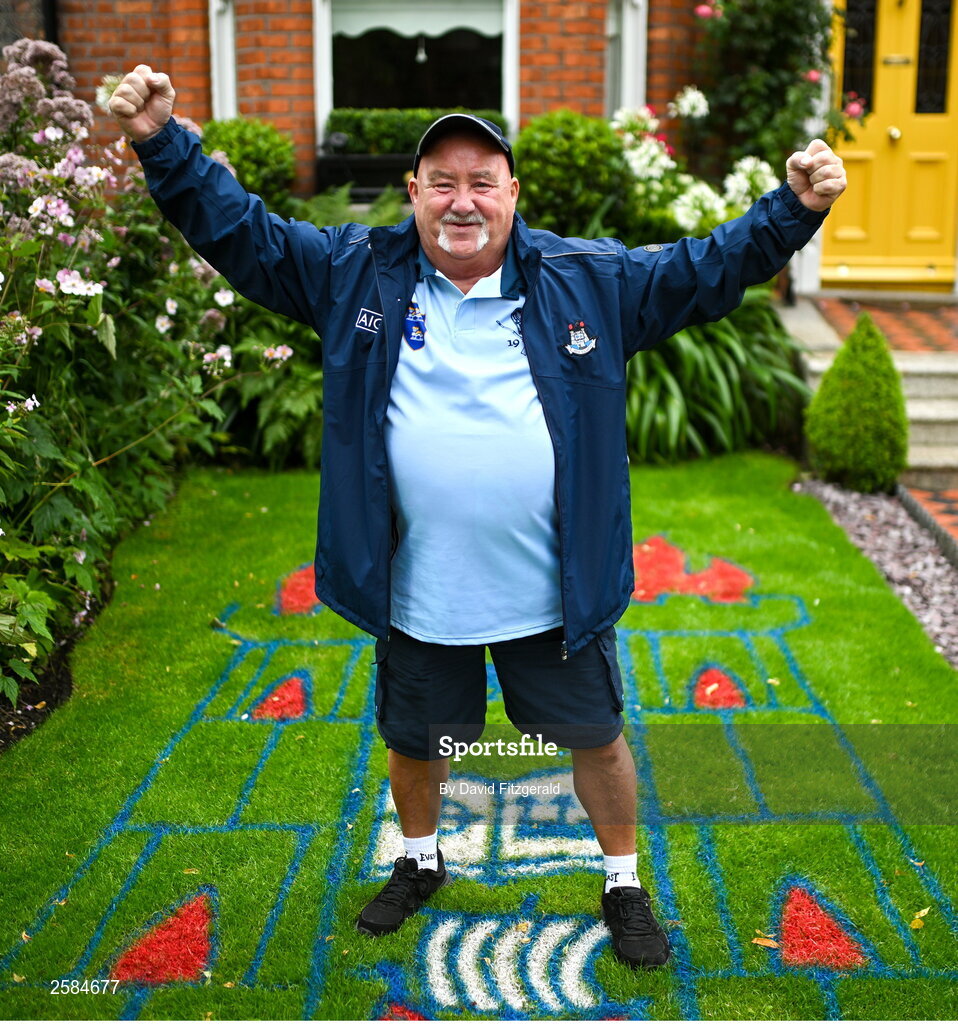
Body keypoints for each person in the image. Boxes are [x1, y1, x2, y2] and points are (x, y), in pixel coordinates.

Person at [110, 65, 846, 970]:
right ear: (414, 193)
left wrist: (794, 209)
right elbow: (243, 234)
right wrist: (160, 142)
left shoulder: (587, 281)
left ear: (512, 194)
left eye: (481, 182)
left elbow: (702, 270)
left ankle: (622, 879)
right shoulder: (353, 275)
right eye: (444, 183)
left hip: (553, 591)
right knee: (417, 739)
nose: (463, 203)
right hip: (420, 590)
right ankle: (420, 861)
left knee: (596, 738)